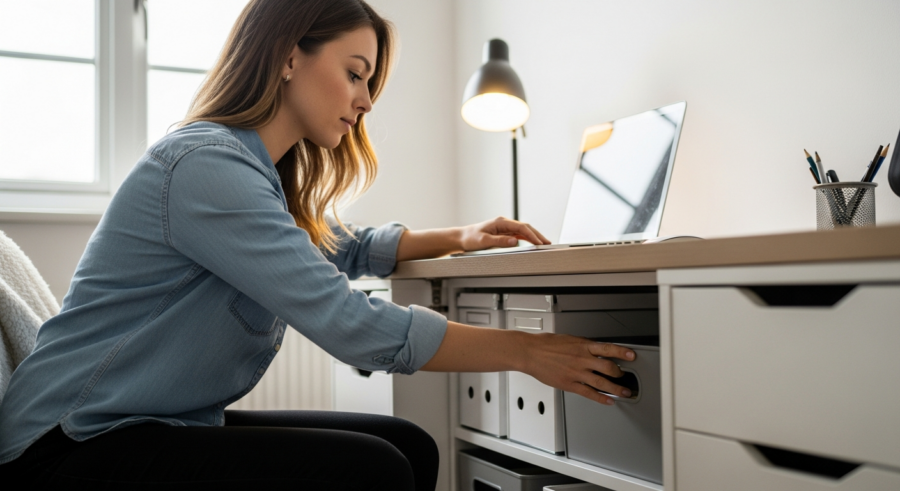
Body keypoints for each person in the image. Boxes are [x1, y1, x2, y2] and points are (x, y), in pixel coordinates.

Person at [0, 0, 635, 489]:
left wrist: (461, 236)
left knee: (409, 446)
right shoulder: (204, 166)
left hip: (143, 421)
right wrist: (528, 351)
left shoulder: (251, 171)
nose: (363, 102)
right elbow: (350, 323)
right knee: (375, 469)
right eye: (355, 74)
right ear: (286, 56)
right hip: (68, 442)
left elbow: (338, 245)